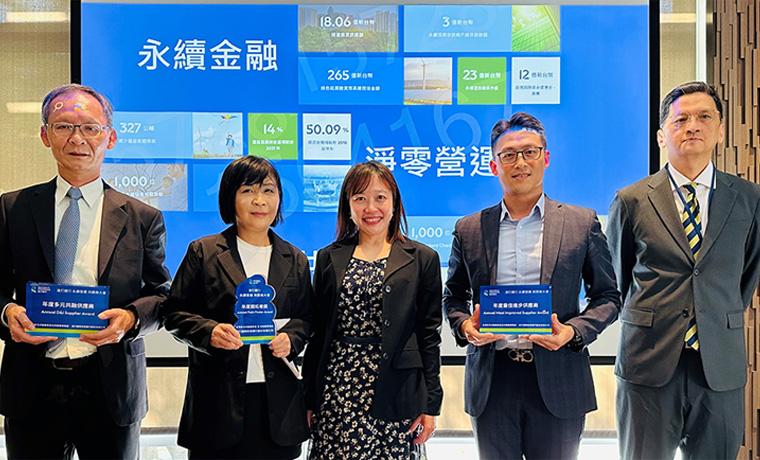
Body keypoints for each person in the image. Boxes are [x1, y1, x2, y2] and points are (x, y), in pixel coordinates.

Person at [0, 84, 171, 458]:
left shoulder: (143, 218)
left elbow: (161, 295)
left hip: (110, 386)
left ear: (110, 137)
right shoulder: (13, 208)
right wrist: (7, 311)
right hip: (33, 383)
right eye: (63, 126)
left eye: (90, 127)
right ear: (45, 136)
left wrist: (129, 318)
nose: (77, 138)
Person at [443, 112, 620, 459]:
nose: (519, 162)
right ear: (494, 165)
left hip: (559, 381)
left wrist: (572, 332)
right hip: (493, 383)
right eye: (507, 154)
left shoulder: (581, 223)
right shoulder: (469, 229)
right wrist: (465, 325)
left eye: (530, 152)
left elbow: (608, 297)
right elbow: (453, 296)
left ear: (546, 157)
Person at [607, 81, 760, 460]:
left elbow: (746, 276)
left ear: (720, 130)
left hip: (719, 368)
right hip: (648, 365)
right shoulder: (631, 200)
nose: (692, 125)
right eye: (681, 119)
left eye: (704, 117)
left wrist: (711, 314)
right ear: (662, 136)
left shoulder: (749, 198)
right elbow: (618, 280)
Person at [162, 155, 312, 459]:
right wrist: (210, 332)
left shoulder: (294, 258)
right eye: (248, 190)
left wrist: (292, 339)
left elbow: (306, 317)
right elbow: (174, 313)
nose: (260, 200)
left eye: (269, 191)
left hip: (277, 408)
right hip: (218, 405)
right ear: (230, 198)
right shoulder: (203, 252)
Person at [302, 160, 442, 459]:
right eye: (360, 198)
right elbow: (319, 334)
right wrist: (309, 397)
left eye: (380, 197)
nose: (370, 207)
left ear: (394, 203)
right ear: (348, 206)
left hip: (398, 389)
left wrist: (430, 404)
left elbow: (429, 336)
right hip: (339, 388)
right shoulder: (329, 258)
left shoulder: (423, 258)